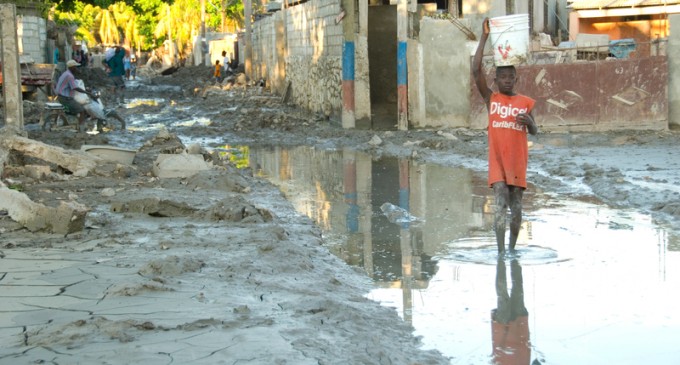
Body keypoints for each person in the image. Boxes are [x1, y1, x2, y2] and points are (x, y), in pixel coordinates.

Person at [472, 17, 538, 254]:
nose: (507, 80)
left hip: (518, 161)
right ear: (496, 80)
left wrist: (530, 122)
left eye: (511, 77)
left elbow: (535, 131)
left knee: (516, 208)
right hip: (497, 161)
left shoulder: (525, 103)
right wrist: (484, 36)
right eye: (503, 77)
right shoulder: (492, 99)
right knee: (499, 203)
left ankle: (511, 250)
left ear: (516, 79)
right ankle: (500, 253)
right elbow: (475, 69)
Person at [491, 258, 531, 365]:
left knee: (512, 290)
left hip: (508, 331)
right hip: (516, 330)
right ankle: (508, 261)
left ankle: (503, 261)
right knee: (511, 290)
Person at [54, 59, 95, 132]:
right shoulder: (69, 76)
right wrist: (88, 93)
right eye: (75, 67)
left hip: (61, 96)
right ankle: (80, 129)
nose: (76, 69)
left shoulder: (65, 73)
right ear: (72, 67)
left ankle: (74, 123)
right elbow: (75, 87)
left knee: (76, 107)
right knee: (82, 110)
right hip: (65, 99)